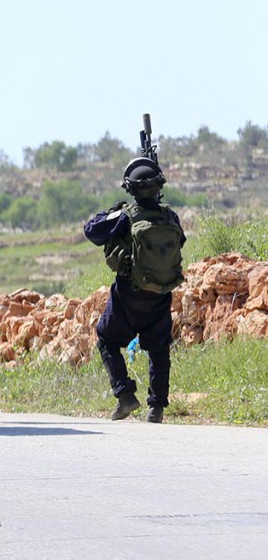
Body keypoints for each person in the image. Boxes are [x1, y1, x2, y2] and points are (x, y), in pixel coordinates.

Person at [84, 157, 185, 423]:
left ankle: (125, 395)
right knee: (159, 350)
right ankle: (157, 408)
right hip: (161, 294)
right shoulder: (170, 216)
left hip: (128, 296)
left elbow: (92, 231)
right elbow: (180, 241)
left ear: (130, 188)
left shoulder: (125, 216)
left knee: (105, 339)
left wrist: (112, 212)